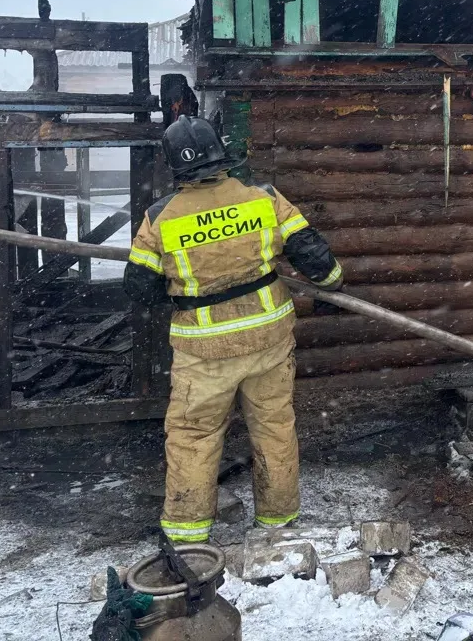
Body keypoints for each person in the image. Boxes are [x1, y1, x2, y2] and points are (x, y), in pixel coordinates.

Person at [123, 116, 343, 543]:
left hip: (203, 350)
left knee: (194, 436)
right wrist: (334, 282)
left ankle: (188, 537)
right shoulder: (263, 198)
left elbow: (140, 289)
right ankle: (277, 524)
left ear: (175, 166)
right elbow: (313, 255)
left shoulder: (159, 218)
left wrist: (184, 287)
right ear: (221, 156)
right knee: (274, 428)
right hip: (268, 339)